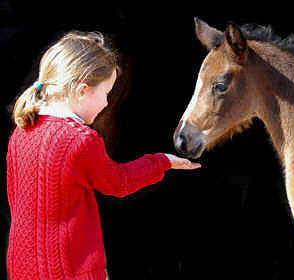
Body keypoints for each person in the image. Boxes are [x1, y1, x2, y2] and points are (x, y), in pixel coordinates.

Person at [6, 31, 201, 280]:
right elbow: (118, 182)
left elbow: (16, 200)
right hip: (72, 271)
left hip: (22, 269)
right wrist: (162, 161)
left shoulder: (22, 132)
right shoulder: (79, 141)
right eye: (106, 93)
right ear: (82, 90)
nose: (107, 103)